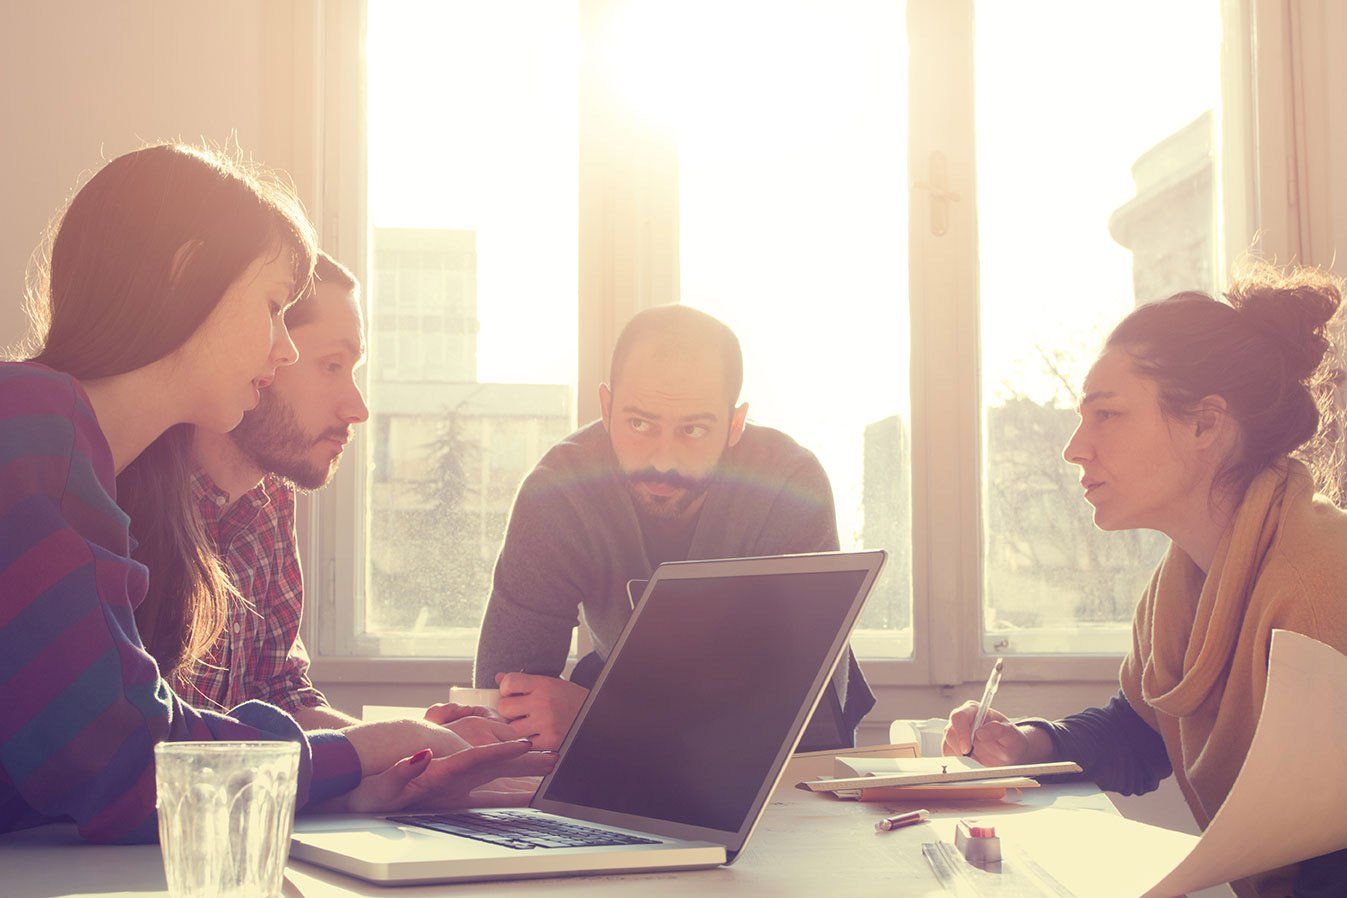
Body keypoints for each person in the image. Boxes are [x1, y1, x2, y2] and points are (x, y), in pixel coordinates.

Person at [0, 144, 552, 844]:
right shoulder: (25, 421)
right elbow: (120, 762)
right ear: (184, 272)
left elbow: (90, 774)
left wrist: (357, 790)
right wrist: (367, 748)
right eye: (270, 308)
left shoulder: (76, 455)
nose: (282, 348)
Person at [941, 265, 1347, 897]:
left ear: (1206, 425)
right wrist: (1026, 744)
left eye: (1107, 414)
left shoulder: (1326, 579)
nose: (1075, 447)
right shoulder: (1179, 583)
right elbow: (1143, 728)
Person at [474, 304, 874, 751]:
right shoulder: (559, 492)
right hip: (618, 750)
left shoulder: (789, 486)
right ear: (606, 408)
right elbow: (502, 697)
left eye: (694, 430)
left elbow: (796, 711)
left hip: (780, 768)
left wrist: (598, 718)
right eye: (639, 423)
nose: (662, 459)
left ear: (734, 425)